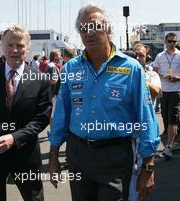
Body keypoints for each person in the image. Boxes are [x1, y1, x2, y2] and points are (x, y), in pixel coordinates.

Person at [48, 4, 160, 201]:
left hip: (115, 156)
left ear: (108, 29)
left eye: (94, 26)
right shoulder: (70, 69)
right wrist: (54, 154)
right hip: (78, 155)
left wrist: (148, 167)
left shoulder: (131, 68)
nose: (88, 33)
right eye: (82, 29)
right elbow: (61, 114)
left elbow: (146, 117)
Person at [0, 25, 52, 201]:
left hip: (26, 154)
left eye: (20, 45)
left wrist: (14, 138)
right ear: (2, 46)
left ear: (27, 48)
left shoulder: (40, 80)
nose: (15, 50)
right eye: (10, 45)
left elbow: (42, 118)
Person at [129, 43, 161, 201]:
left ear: (147, 57)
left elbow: (157, 91)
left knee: (142, 174)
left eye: (141, 55)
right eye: (135, 54)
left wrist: (137, 77)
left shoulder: (151, 73)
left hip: (145, 130)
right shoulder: (124, 71)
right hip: (127, 131)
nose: (137, 57)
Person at [153, 32, 180, 159]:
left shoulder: (179, 55)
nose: (172, 44)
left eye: (174, 41)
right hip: (163, 91)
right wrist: (163, 77)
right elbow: (154, 72)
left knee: (172, 118)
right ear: (165, 42)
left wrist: (177, 78)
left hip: (176, 90)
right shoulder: (159, 56)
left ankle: (168, 146)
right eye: (169, 41)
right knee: (165, 117)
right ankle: (172, 141)